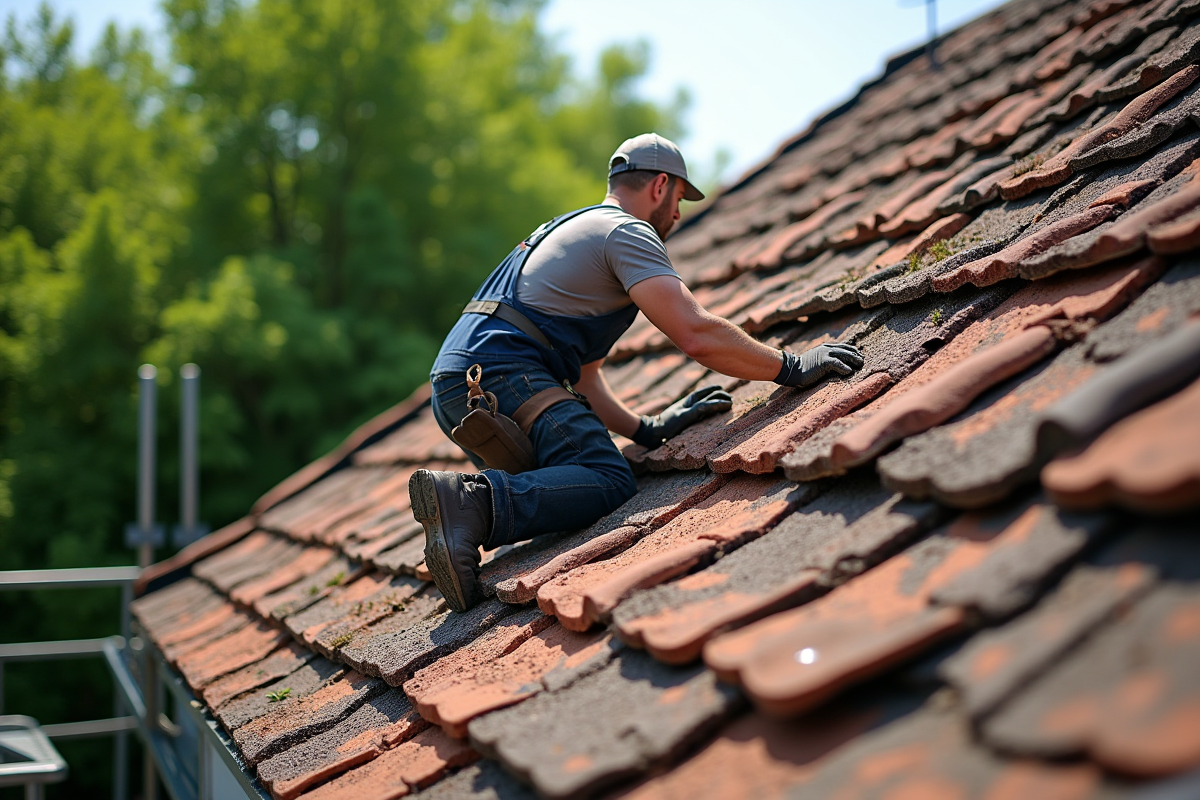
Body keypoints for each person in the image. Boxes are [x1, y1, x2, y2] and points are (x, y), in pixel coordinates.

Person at [410, 133, 864, 611]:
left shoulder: (571, 229)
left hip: (459, 388)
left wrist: (646, 430)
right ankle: (471, 503)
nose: (677, 214)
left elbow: (585, 379)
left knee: (570, 486)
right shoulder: (626, 232)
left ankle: (462, 523)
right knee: (606, 477)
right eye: (678, 199)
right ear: (660, 185)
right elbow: (695, 333)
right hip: (505, 376)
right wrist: (790, 365)